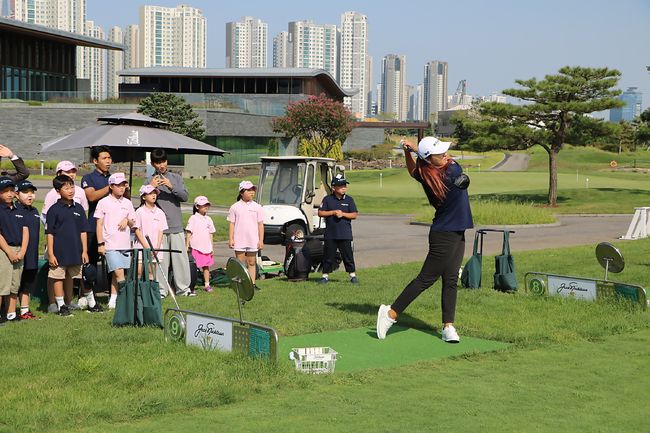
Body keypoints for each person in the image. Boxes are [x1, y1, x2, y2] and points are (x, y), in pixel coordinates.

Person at [376, 136, 473, 343]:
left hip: (456, 230)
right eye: (441, 154)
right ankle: (390, 313)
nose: (447, 156)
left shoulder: (428, 173)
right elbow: (424, 166)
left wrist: (408, 151)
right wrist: (414, 150)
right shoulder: (452, 171)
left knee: (451, 279)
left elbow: (414, 171)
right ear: (430, 159)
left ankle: (448, 326)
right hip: (444, 235)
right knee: (426, 279)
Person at [42, 161, 91, 312]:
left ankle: (68, 302)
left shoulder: (79, 208)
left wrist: (84, 251)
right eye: (66, 188)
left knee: (71, 276)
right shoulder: (54, 210)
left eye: (72, 187)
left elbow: (83, 230)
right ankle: (59, 304)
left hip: (75, 249)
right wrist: (51, 253)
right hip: (58, 250)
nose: (70, 191)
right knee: (57, 276)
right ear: (58, 191)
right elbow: (50, 232)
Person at [146, 148, 192, 297]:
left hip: (176, 225)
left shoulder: (175, 177)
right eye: (158, 162)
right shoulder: (149, 181)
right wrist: (151, 187)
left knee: (180, 260)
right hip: (158, 229)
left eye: (163, 161)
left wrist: (171, 186)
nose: (161, 165)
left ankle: (184, 289)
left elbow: (185, 197)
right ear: (153, 164)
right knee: (161, 261)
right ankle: (161, 291)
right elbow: (142, 201)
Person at [94, 173, 136, 310]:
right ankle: (127, 298)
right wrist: (100, 243)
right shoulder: (103, 202)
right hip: (110, 244)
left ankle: (113, 299)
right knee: (119, 273)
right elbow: (99, 224)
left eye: (123, 184)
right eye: (118, 185)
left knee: (116, 273)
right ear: (111, 186)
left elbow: (133, 223)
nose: (121, 188)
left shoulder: (128, 203)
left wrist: (126, 220)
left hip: (125, 245)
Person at [317, 174, 359, 284]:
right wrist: (333, 212)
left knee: (348, 256)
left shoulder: (349, 200)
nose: (344, 188)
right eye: (341, 186)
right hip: (331, 234)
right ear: (334, 188)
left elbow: (354, 215)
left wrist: (343, 214)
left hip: (345, 234)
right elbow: (320, 213)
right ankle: (325, 276)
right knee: (328, 256)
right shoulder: (327, 199)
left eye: (345, 185)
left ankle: (352, 276)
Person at [81, 146, 112, 290]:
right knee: (91, 261)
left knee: (113, 261)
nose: (108, 161)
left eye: (109, 158)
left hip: (113, 227)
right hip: (93, 226)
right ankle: (87, 294)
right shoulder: (88, 178)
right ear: (95, 161)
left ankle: (113, 294)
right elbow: (91, 196)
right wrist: (110, 187)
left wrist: (124, 187)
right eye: (104, 158)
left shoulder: (113, 178)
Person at [0, 177, 28, 323]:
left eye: (11, 191)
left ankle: (11, 314)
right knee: (1, 284)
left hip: (19, 250)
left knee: (14, 285)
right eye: (5, 191)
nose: (9, 194)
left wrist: (22, 251)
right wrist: (10, 253)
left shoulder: (19, 209)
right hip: (4, 250)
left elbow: (25, 231)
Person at [228, 181, 264, 288]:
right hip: (239, 239)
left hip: (253, 239)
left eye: (253, 190)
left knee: (251, 262)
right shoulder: (235, 207)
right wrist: (231, 238)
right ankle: (241, 284)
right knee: (240, 263)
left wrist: (261, 240)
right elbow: (232, 224)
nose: (251, 192)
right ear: (241, 192)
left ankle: (252, 284)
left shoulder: (257, 207)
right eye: (248, 190)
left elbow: (260, 225)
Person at [14, 180, 41, 319]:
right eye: (25, 192)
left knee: (27, 283)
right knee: (14, 284)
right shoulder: (14, 210)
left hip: (32, 254)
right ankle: (9, 311)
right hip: (18, 253)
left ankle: (24, 311)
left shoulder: (35, 211)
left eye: (32, 192)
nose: (30, 195)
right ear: (16, 195)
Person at [133, 185, 168, 282]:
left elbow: (161, 231)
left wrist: (156, 247)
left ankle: (149, 294)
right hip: (141, 246)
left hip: (155, 248)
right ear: (143, 197)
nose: (153, 196)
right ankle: (138, 294)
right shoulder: (139, 212)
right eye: (150, 194)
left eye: (154, 193)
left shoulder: (160, 212)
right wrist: (146, 246)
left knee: (151, 272)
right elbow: (137, 230)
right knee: (138, 272)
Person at [186, 196, 216, 293]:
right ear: (197, 206)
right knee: (193, 267)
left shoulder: (209, 219)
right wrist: (187, 245)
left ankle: (207, 284)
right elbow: (189, 233)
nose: (205, 207)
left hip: (206, 247)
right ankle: (191, 286)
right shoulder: (193, 218)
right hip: (195, 247)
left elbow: (211, 233)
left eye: (207, 205)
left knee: (206, 267)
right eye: (203, 205)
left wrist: (211, 247)